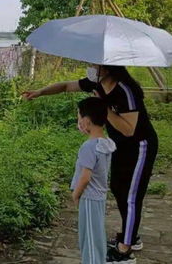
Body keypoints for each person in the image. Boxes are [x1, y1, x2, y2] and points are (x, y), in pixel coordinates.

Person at [22, 65, 158, 263]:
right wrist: (40, 92)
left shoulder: (126, 90)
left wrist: (103, 106)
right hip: (118, 144)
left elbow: (129, 129)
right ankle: (131, 235)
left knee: (130, 195)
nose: (90, 68)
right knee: (118, 188)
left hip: (140, 145)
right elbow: (67, 86)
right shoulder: (96, 83)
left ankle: (125, 250)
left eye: (94, 64)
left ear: (108, 67)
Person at [72, 97, 117, 264]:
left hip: (89, 198)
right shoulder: (106, 143)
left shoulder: (89, 147)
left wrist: (76, 195)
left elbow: (85, 177)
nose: (78, 122)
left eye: (79, 118)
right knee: (96, 235)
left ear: (86, 120)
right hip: (99, 198)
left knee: (89, 239)